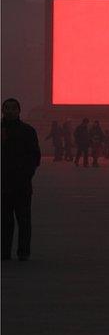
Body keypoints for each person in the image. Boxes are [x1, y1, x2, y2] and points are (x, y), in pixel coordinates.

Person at [2, 99, 41, 262]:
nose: (10, 111)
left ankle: (23, 251)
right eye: (7, 108)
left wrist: (26, 174)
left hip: (21, 184)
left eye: (13, 108)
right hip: (2, 183)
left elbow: (35, 156)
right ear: (2, 110)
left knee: (23, 220)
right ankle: (4, 252)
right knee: (4, 221)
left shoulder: (27, 131)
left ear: (19, 111)